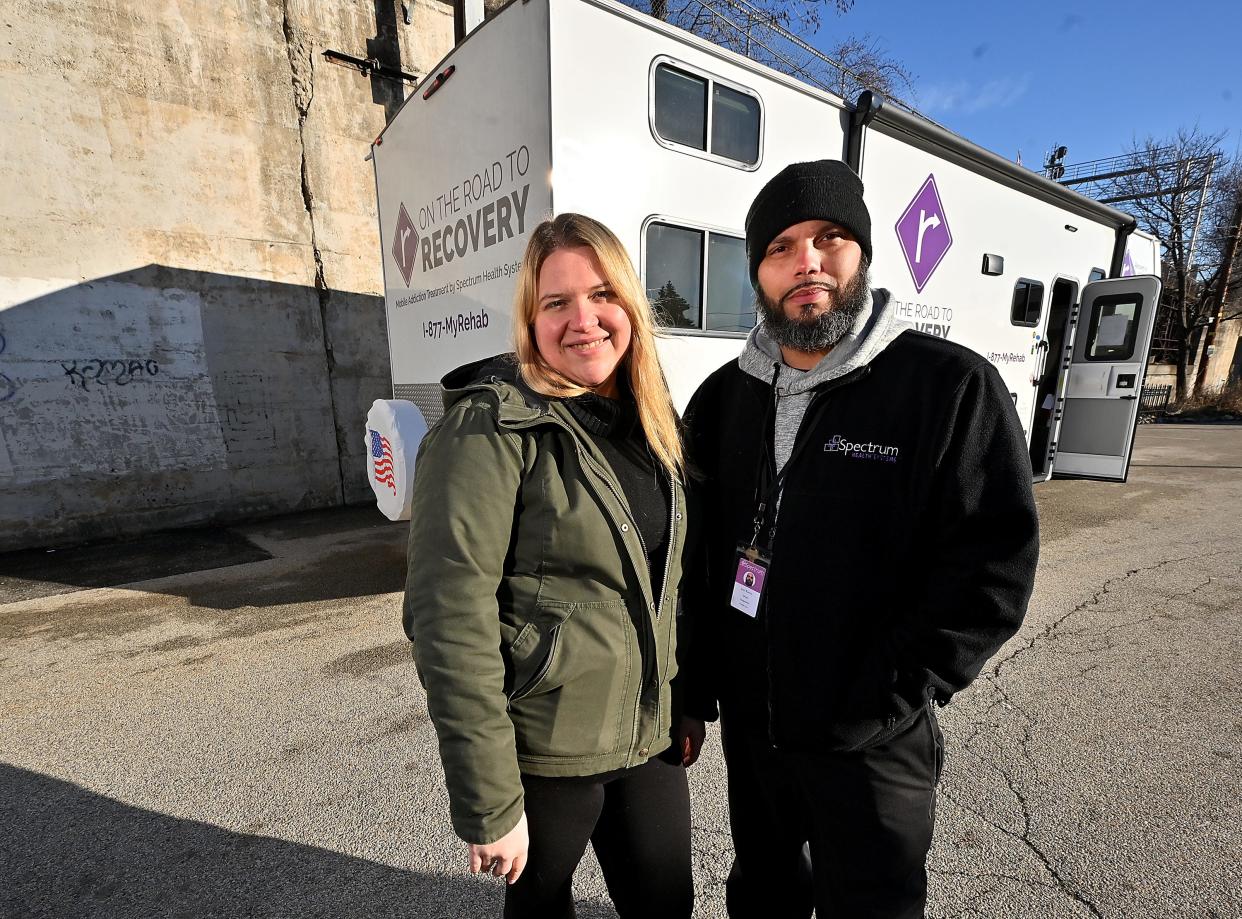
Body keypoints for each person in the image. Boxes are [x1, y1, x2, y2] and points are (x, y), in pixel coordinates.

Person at [677, 159, 1040, 919]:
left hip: (872, 740)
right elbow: (701, 560)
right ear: (759, 273)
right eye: (780, 247)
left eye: (829, 238)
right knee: (765, 893)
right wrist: (696, 690)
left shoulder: (947, 388)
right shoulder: (720, 400)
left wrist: (892, 689)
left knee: (873, 905)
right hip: (758, 734)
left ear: (862, 255)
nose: (806, 260)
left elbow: (991, 567)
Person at [403, 213, 693, 919]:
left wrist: (686, 692)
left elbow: (669, 579)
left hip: (646, 737)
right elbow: (448, 617)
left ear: (630, 305)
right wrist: (490, 799)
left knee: (666, 905)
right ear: (529, 321)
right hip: (547, 749)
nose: (583, 319)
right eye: (556, 302)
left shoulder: (650, 420)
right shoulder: (489, 428)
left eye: (603, 295)